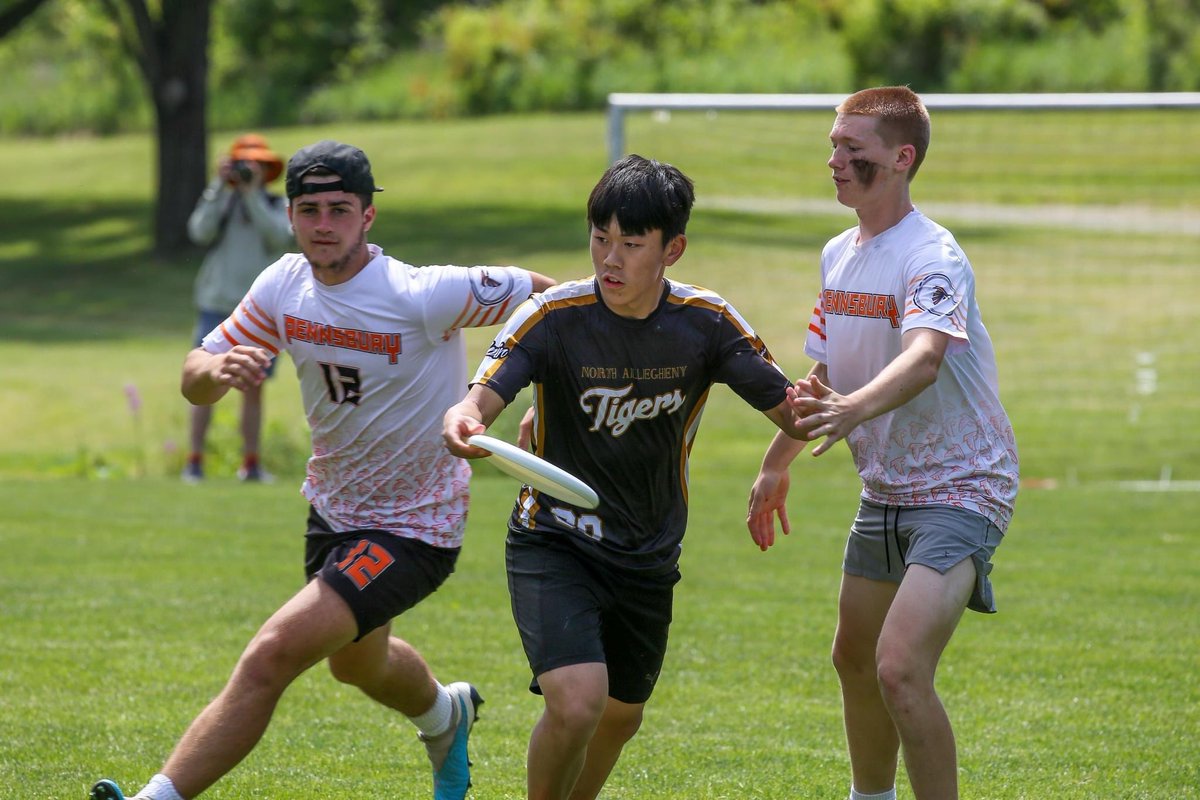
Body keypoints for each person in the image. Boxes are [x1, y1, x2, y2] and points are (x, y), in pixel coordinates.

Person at [90, 140, 556, 800]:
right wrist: (216, 371)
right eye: (309, 210)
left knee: (271, 655)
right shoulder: (283, 285)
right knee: (358, 666)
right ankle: (445, 716)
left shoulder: (422, 293)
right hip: (333, 513)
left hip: (415, 529)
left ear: (369, 216)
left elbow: (553, 302)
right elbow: (194, 375)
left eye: (341, 209)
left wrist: (541, 400)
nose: (324, 225)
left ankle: (154, 798)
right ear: (290, 216)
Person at [442, 154, 810, 800]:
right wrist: (466, 419)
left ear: (674, 249)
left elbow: (798, 411)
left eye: (631, 244)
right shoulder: (553, 317)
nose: (609, 260)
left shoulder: (707, 323)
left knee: (619, 715)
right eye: (599, 239)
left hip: (647, 551)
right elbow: (483, 394)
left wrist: (798, 444)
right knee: (579, 701)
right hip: (555, 536)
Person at [746, 86, 1019, 800]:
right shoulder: (838, 253)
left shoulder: (933, 256)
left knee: (899, 667)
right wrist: (777, 465)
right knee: (854, 659)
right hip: (887, 489)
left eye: (852, 149)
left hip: (963, 485)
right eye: (833, 145)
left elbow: (925, 357)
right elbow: (826, 370)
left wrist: (851, 412)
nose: (834, 160)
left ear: (901, 159)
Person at [182, 133, 294, 483]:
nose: (249, 170)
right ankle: (194, 462)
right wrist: (218, 185)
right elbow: (198, 231)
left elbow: (280, 237)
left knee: (253, 386)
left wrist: (252, 195)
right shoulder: (222, 200)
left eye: (256, 165)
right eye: (244, 163)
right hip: (217, 303)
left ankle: (251, 464)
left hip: (260, 311)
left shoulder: (276, 205)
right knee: (203, 383)